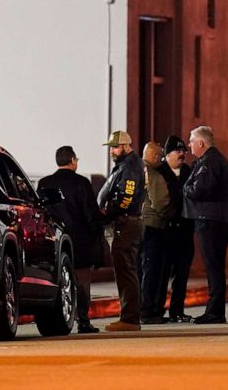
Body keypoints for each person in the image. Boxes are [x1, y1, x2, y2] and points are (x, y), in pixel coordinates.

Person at [37, 146, 106, 334]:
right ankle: (83, 321)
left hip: (55, 241)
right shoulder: (81, 183)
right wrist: (98, 229)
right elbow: (90, 213)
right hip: (80, 241)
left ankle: (60, 319)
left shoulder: (44, 183)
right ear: (73, 160)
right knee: (82, 284)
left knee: (59, 281)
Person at [183, 125, 228, 324]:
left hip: (210, 220)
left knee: (213, 267)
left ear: (201, 143)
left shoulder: (209, 162)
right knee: (215, 266)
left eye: (192, 141)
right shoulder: (214, 160)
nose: (189, 145)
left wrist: (185, 188)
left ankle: (215, 312)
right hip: (216, 219)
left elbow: (199, 190)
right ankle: (215, 310)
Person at [98, 130, 146, 332]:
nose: (112, 151)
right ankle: (129, 316)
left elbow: (126, 197)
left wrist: (106, 215)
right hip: (124, 222)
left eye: (115, 147)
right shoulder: (124, 166)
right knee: (125, 270)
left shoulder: (131, 166)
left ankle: (130, 318)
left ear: (127, 146)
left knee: (126, 271)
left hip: (125, 223)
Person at [157, 135, 195, 322]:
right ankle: (157, 310)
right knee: (162, 273)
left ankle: (177, 311)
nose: (181, 155)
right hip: (165, 230)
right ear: (167, 154)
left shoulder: (189, 171)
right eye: (177, 152)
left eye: (183, 152)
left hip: (185, 230)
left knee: (182, 274)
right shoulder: (160, 172)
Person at [139, 139, 174, 324]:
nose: (161, 160)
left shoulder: (131, 171)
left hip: (135, 226)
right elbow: (161, 203)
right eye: (159, 156)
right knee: (151, 271)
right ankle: (148, 311)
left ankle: (136, 310)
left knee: (137, 270)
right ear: (152, 156)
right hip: (153, 226)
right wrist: (171, 213)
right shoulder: (153, 175)